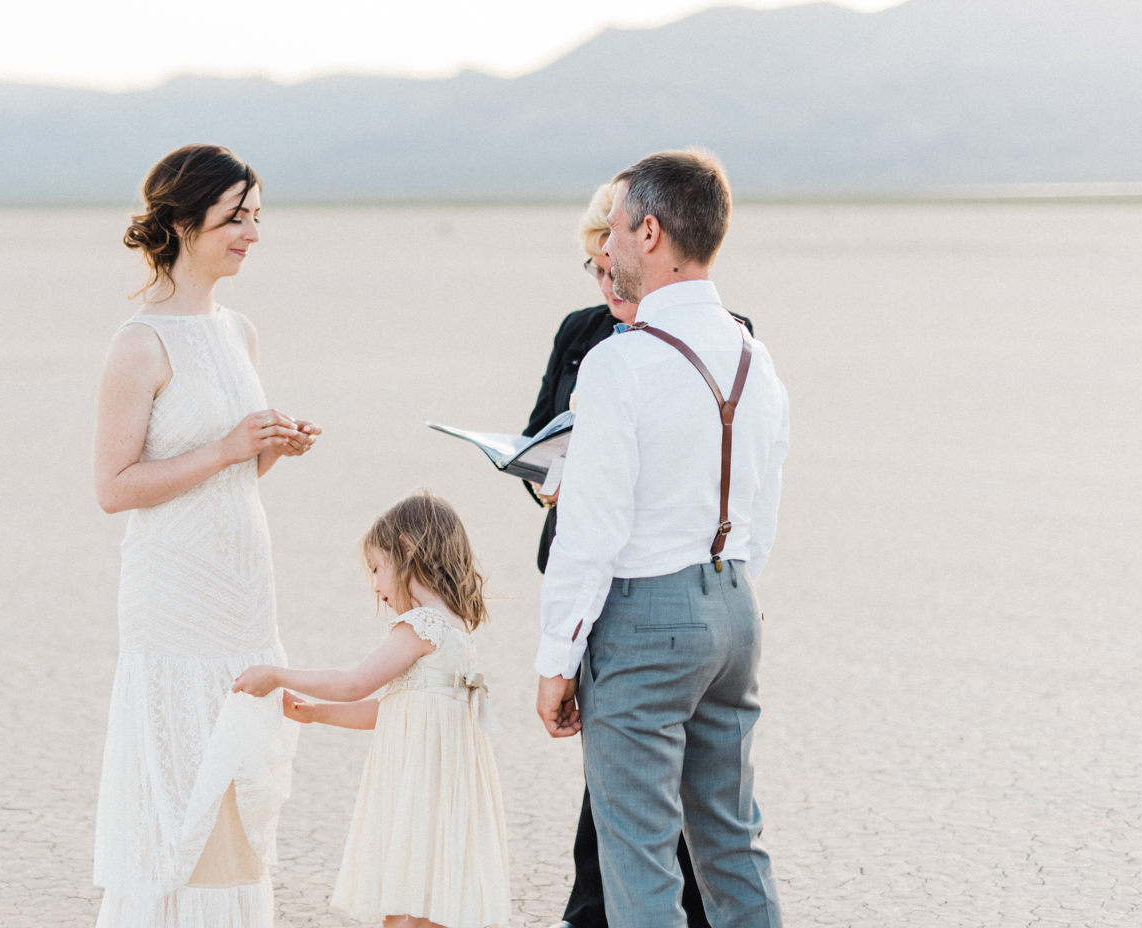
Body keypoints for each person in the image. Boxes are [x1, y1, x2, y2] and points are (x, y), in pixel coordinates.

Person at [536, 149, 789, 928]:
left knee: (640, 860)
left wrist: (557, 661)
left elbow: (591, 533)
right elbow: (763, 514)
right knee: (732, 846)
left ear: (649, 231)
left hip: (645, 621)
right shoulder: (757, 357)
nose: (605, 251)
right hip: (733, 608)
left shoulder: (620, 363)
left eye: (612, 231)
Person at [91, 144, 322, 927]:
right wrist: (226, 447)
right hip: (174, 600)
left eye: (257, 215)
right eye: (235, 218)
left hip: (242, 594)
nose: (252, 232)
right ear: (185, 224)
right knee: (180, 793)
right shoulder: (139, 344)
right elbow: (114, 488)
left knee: (238, 784)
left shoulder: (239, 332)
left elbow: (226, 481)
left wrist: (267, 451)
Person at [234, 492, 510, 928]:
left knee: (406, 901)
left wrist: (278, 675)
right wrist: (317, 713)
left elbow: (354, 682)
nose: (377, 588)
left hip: (417, 786)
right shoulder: (456, 630)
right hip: (443, 787)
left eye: (377, 569)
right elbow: (394, 709)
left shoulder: (423, 625)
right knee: (430, 899)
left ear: (407, 550)